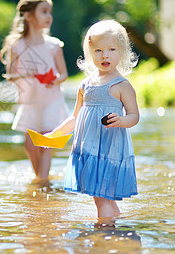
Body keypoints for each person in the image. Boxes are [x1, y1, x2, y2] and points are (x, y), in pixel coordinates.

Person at [47, 19, 139, 218]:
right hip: (88, 149)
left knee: (101, 198)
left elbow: (134, 116)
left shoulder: (122, 85)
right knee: (103, 197)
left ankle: (104, 234)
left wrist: (122, 120)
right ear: (90, 54)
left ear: (122, 52)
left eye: (111, 49)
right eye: (98, 50)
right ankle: (114, 228)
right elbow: (75, 117)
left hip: (109, 149)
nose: (104, 55)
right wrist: (55, 134)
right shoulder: (85, 85)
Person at [0, 0, 69, 182]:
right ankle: (40, 179)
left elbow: (64, 74)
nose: (49, 16)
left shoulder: (54, 45)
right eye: (44, 11)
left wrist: (55, 80)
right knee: (30, 146)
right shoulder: (17, 45)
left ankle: (42, 183)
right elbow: (10, 76)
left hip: (51, 100)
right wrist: (27, 74)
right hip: (29, 102)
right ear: (29, 16)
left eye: (50, 12)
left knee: (46, 143)